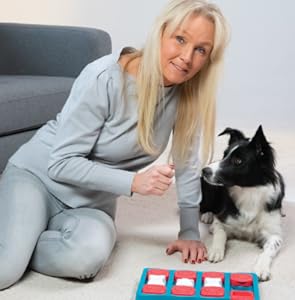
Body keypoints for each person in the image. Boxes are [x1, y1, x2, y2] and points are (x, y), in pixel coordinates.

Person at [0, 0, 229, 290]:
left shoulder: (188, 97)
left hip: (92, 203)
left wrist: (189, 232)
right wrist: (133, 182)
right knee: (6, 269)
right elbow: (61, 163)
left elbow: (187, 166)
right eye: (180, 39)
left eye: (201, 50)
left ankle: (22, 236)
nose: (186, 57)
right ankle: (17, 239)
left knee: (87, 260)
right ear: (161, 33)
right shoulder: (104, 77)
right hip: (37, 178)